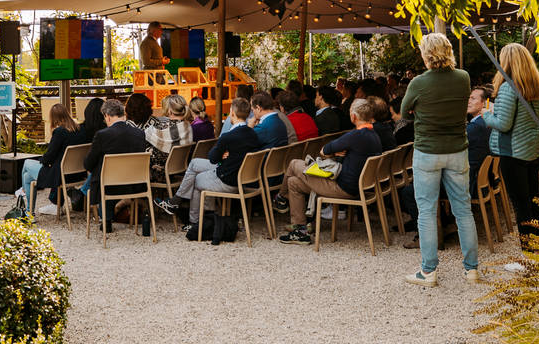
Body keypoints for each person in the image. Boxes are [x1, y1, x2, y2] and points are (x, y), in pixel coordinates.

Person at [398, 33, 479, 286]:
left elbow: (404, 112)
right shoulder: (463, 78)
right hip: (457, 149)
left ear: (426, 55)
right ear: (449, 51)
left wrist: (420, 109)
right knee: (463, 210)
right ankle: (471, 269)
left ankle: (429, 270)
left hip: (427, 151)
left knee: (426, 212)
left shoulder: (418, 83)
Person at [278, 98, 382, 244]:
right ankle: (300, 230)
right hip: (359, 186)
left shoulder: (354, 136)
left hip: (343, 187)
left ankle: (280, 198)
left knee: (294, 163)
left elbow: (324, 150)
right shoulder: (374, 135)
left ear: (353, 116)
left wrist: (333, 153)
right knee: (293, 182)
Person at [482, 43, 539, 240]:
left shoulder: (507, 88)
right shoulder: (537, 88)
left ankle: (528, 249)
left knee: (520, 204)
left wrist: (486, 114)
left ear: (505, 62)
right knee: (533, 199)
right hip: (532, 149)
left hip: (512, 152)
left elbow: (503, 125)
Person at [176, 97, 257, 230]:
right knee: (196, 166)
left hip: (228, 181)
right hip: (242, 178)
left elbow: (212, 158)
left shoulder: (228, 136)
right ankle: (205, 214)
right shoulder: (253, 134)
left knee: (196, 179)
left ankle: (195, 222)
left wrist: (223, 152)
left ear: (232, 113)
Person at [84, 98, 148, 233]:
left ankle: (106, 220)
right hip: (135, 184)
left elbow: (88, 164)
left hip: (108, 185)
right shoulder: (139, 133)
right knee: (106, 173)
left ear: (107, 116)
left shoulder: (102, 135)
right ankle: (108, 218)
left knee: (102, 173)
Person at [17, 103, 77, 216]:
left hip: (59, 175)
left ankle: (24, 193)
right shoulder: (77, 129)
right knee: (27, 177)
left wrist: (42, 160)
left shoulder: (59, 132)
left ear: (53, 118)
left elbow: (49, 157)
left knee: (27, 163)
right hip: (75, 174)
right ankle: (29, 210)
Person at [142, 93, 193, 206]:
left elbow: (145, 134)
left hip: (161, 172)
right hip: (179, 169)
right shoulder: (187, 126)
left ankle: (139, 205)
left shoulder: (162, 128)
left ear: (169, 110)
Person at [465, 86, 492, 194]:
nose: (468, 101)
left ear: (483, 103)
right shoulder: (485, 122)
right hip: (483, 182)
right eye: (468, 98)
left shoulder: (476, 126)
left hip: (470, 184)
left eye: (473, 98)